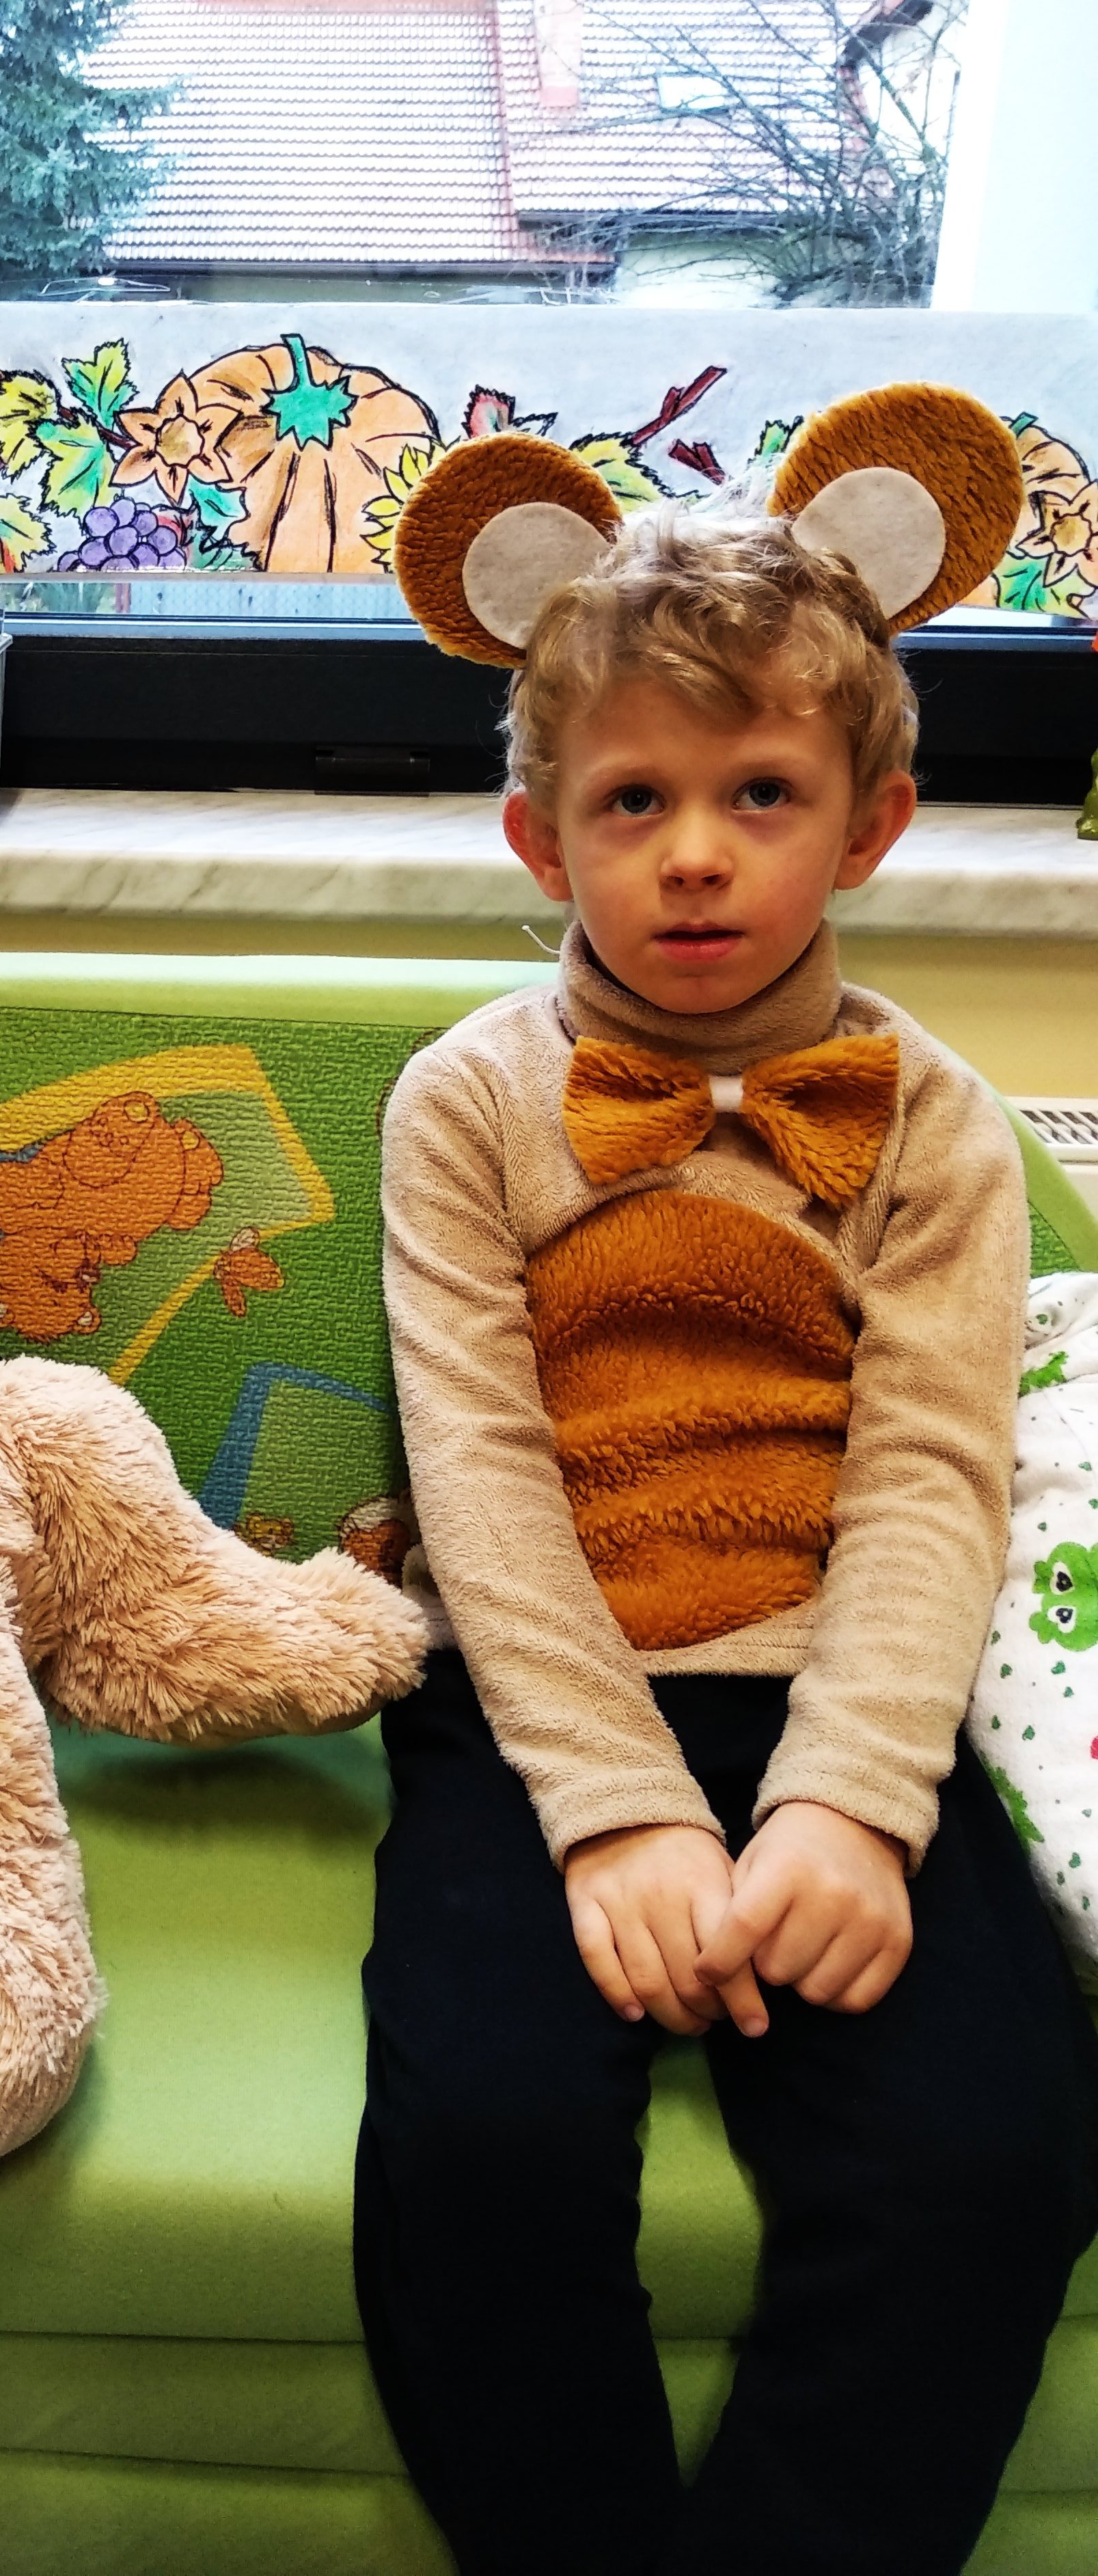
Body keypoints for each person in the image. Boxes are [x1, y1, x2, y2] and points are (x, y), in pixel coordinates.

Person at [358, 504, 1098, 2575]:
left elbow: (935, 1474)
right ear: (544, 842)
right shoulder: (464, 1101)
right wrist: (617, 1813)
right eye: (635, 800)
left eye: (760, 793)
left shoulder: (939, 1122)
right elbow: (478, 1476)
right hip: (537, 1697)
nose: (695, 853)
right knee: (480, 2143)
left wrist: (853, 1802)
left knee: (1000, 2152)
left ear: (871, 825)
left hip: (840, 1687)